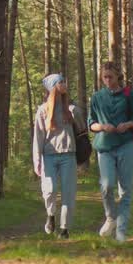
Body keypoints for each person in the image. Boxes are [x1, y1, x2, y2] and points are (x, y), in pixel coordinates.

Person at [87, 61, 133, 243]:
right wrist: (102, 126)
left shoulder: (129, 95)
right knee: (107, 184)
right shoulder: (96, 97)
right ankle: (111, 217)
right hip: (105, 147)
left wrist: (127, 124)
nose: (108, 80)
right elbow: (91, 124)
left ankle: (121, 232)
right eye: (105, 77)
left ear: (118, 76)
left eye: (111, 77)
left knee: (125, 190)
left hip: (125, 145)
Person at [32, 73, 82, 239]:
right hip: (49, 156)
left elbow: (82, 128)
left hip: (68, 154)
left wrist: (75, 113)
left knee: (68, 192)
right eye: (60, 82)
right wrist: (37, 160)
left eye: (63, 81)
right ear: (53, 87)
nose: (64, 84)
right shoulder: (43, 110)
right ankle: (51, 214)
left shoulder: (71, 109)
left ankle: (65, 229)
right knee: (50, 190)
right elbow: (38, 136)